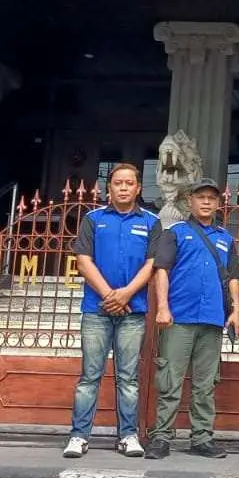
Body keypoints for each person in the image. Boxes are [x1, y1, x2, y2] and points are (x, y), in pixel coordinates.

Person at [66, 162, 158, 459]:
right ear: (109, 187)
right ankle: (79, 436)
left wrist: (127, 294)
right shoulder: (93, 220)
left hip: (133, 311)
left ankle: (129, 435)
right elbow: (83, 261)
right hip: (96, 310)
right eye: (118, 183)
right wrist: (109, 295)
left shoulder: (150, 222)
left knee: (128, 378)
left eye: (129, 183)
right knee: (89, 376)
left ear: (138, 188)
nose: (123, 187)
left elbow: (151, 264)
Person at [146, 178, 239, 460]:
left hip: (212, 320)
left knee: (206, 383)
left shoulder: (225, 238)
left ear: (218, 203)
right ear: (190, 200)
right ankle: (161, 437)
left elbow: (233, 277)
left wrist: (236, 311)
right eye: (201, 197)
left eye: (211, 198)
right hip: (179, 318)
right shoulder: (175, 232)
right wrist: (163, 307)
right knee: (170, 380)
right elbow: (161, 270)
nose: (206, 202)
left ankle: (202, 438)